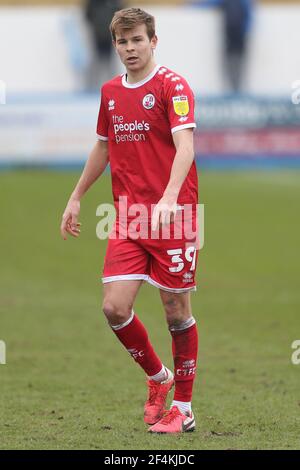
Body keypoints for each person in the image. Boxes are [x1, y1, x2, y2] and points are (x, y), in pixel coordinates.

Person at [60, 7, 199, 434]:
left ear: (153, 41)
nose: (130, 48)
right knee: (114, 307)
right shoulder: (110, 92)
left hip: (174, 215)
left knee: (176, 312)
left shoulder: (172, 86)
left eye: (137, 40)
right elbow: (103, 147)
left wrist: (170, 197)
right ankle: (159, 379)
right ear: (115, 45)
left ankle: (184, 408)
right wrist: (77, 196)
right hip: (128, 216)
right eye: (123, 42)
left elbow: (185, 147)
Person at [198, 0, 253, 93]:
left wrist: (245, 32)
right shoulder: (227, 1)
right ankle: (232, 90)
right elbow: (211, 3)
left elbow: (249, 18)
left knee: (238, 65)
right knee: (229, 65)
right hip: (230, 38)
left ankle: (237, 90)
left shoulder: (244, 2)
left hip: (239, 39)